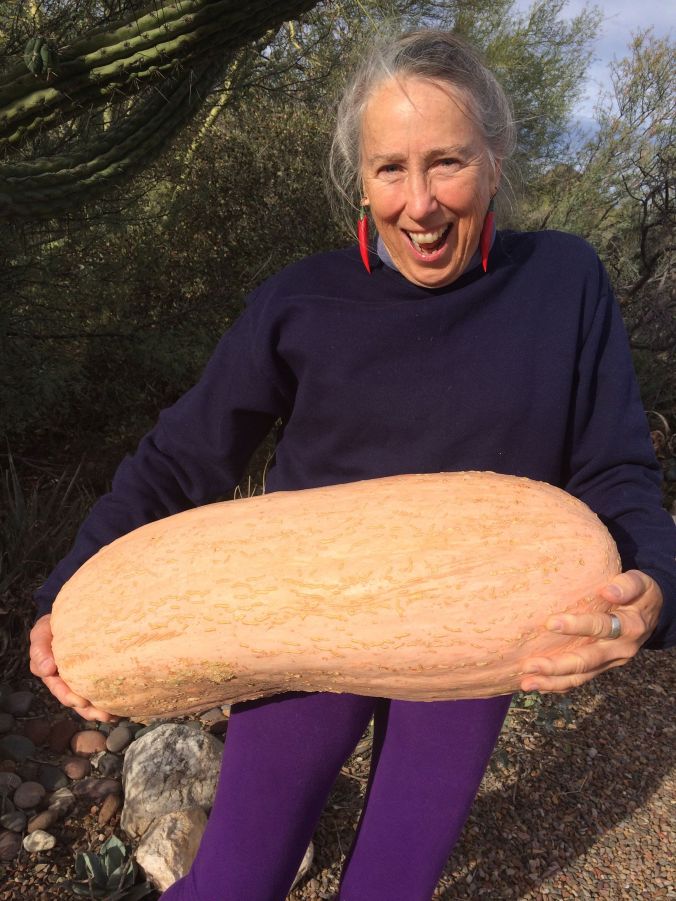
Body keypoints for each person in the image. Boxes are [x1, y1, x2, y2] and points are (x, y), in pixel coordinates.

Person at [30, 29, 675, 901]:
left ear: (494, 157)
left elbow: (618, 470)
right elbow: (184, 456)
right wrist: (64, 594)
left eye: (446, 162)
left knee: (388, 888)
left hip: (476, 634)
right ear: (359, 178)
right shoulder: (301, 298)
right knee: (232, 880)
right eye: (389, 170)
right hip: (304, 625)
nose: (420, 204)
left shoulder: (564, 283)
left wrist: (653, 586)